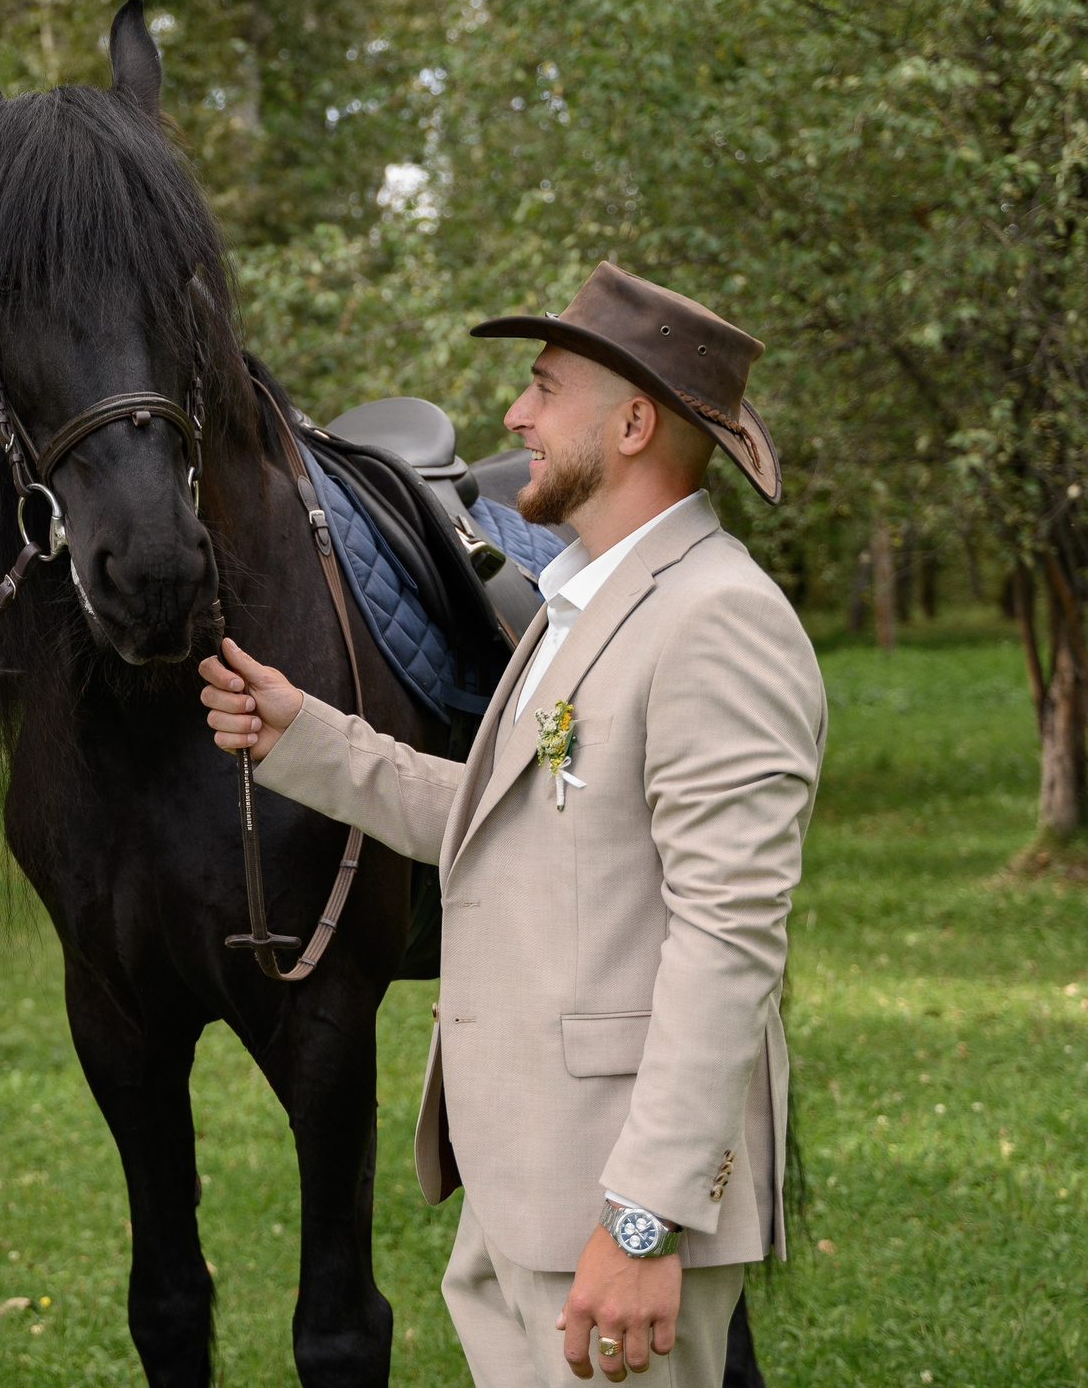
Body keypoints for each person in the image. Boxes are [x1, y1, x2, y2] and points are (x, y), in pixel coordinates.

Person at [198, 263, 823, 1388]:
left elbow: (728, 945)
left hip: (610, 1193)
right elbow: (509, 825)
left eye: (542, 387)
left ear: (633, 422)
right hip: (527, 1177)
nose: (513, 416)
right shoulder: (580, 606)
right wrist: (302, 735)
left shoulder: (718, 619)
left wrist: (644, 1222)